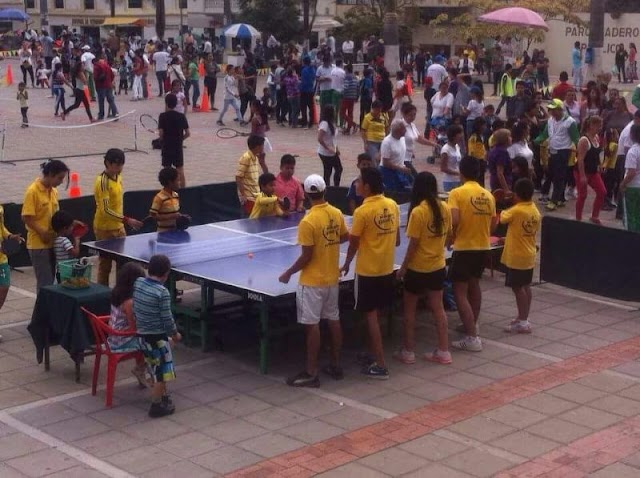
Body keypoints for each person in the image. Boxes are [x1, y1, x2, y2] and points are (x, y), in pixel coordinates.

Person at [279, 175, 349, 387]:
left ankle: (311, 372)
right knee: (333, 320)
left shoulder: (308, 221)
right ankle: (336, 365)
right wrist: (329, 243)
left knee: (312, 325)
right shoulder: (336, 213)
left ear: (307, 195)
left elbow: (306, 256)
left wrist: (288, 273)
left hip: (311, 282)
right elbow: (346, 236)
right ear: (324, 191)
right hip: (331, 279)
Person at [341, 168, 400, 379]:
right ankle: (372, 354)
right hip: (386, 268)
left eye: (358, 181)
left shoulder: (362, 212)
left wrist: (346, 263)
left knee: (371, 315)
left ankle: (381, 365)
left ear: (366, 186)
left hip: (367, 271)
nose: (355, 185)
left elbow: (353, 243)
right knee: (375, 314)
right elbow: (398, 240)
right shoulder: (392, 205)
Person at [395, 172, 453, 365]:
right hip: (437, 266)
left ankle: (409, 351)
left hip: (417, 269)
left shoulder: (418, 212)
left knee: (409, 309)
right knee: (438, 309)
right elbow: (449, 236)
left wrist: (403, 268)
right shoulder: (444, 207)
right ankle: (444, 351)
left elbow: (413, 245)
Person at [448, 157, 497, 352]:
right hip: (483, 246)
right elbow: (494, 224)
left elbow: (454, 219)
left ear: (461, 172)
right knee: (474, 285)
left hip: (464, 247)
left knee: (459, 291)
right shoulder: (488, 195)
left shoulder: (456, 193)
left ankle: (472, 338)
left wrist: (451, 237)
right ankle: (471, 324)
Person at [133, 254, 181, 418]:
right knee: (162, 372)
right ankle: (156, 405)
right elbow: (167, 319)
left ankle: (163, 396)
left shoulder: (138, 283)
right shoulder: (162, 292)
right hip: (157, 338)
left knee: (155, 366)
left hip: (142, 336)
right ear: (166, 273)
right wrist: (174, 334)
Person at [93, 149, 143, 286]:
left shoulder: (118, 177)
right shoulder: (102, 182)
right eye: (116, 165)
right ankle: (102, 293)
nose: (119, 168)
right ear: (107, 163)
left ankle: (121, 292)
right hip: (104, 229)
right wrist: (127, 220)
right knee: (105, 265)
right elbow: (105, 210)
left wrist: (122, 222)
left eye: (121, 165)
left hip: (119, 227)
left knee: (123, 263)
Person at [22, 160, 70, 292]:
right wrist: (42, 232)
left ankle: (48, 309)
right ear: (50, 174)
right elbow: (26, 217)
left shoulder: (53, 191)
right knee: (45, 282)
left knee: (52, 280)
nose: (61, 182)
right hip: (38, 245)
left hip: (52, 242)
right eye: (59, 178)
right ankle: (42, 311)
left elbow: (56, 216)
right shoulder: (33, 191)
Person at [499, 178, 540, 334]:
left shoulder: (516, 210)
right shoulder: (534, 209)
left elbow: (502, 217)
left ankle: (523, 323)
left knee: (517, 288)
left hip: (517, 256)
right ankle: (523, 317)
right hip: (529, 254)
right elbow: (519, 229)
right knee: (526, 286)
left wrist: (506, 200)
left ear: (517, 194)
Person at [534, 99, 580, 211]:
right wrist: (535, 141)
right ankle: (560, 198)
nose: (552, 112)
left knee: (559, 177)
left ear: (560, 109)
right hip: (552, 151)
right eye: (550, 110)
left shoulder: (570, 122)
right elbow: (544, 135)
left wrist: (579, 154)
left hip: (563, 152)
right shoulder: (550, 121)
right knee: (552, 174)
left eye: (554, 110)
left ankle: (554, 201)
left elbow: (576, 139)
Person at [108, 262, 148, 387]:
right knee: (160, 342)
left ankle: (141, 368)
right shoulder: (129, 302)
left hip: (113, 337)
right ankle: (143, 370)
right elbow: (133, 328)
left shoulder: (117, 293)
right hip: (122, 341)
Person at [574, 115, 606, 224]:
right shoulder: (584, 140)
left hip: (593, 171)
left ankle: (594, 216)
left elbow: (596, 155)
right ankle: (578, 218)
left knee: (602, 192)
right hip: (582, 171)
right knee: (582, 195)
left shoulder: (596, 138)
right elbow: (580, 159)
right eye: (598, 125)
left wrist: (599, 165)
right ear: (591, 125)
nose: (600, 127)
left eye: (600, 125)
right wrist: (582, 176)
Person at [0, 204, 24, 340]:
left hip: (2, 258)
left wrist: (10, 236)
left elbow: (1, 227)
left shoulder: (0, 208)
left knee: (4, 287)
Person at [158, 93, 190, 189]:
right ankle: (183, 191)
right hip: (177, 146)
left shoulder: (162, 116)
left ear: (166, 103)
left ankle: (168, 190)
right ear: (176, 103)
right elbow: (188, 133)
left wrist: (161, 139)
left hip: (167, 146)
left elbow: (161, 133)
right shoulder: (181, 116)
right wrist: (180, 140)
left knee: (167, 170)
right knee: (180, 170)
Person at [236, 135, 269, 216]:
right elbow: (238, 177)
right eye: (262, 146)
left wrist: (262, 162)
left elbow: (267, 176)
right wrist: (243, 195)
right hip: (248, 198)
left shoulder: (256, 158)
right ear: (258, 147)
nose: (263, 148)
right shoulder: (246, 158)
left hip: (256, 197)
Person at [150, 167, 186, 232]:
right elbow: (153, 216)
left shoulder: (176, 195)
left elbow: (175, 213)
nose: (179, 183)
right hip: (163, 233)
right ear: (170, 182)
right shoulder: (159, 198)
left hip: (176, 231)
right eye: (177, 180)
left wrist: (181, 217)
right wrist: (170, 216)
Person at [380, 120, 411, 192]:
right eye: (404, 129)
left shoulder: (402, 139)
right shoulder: (387, 142)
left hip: (400, 170)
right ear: (398, 131)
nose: (406, 130)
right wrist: (400, 168)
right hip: (389, 172)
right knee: (393, 192)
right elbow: (385, 163)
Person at [317, 105, 342, 187]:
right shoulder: (324, 124)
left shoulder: (332, 123)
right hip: (325, 153)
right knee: (329, 171)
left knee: (337, 169)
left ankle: (335, 186)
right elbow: (320, 138)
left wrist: (336, 148)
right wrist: (328, 148)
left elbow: (333, 138)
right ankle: (328, 188)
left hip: (332, 151)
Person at [360, 100, 389, 165]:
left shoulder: (384, 116)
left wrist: (386, 138)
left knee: (382, 160)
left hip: (382, 141)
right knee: (374, 159)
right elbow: (363, 130)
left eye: (379, 110)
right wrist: (365, 143)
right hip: (371, 141)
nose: (378, 112)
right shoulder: (367, 117)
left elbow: (386, 127)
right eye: (376, 110)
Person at [94, 52, 119, 120]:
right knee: (110, 100)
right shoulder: (107, 65)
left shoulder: (97, 66)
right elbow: (112, 75)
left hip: (101, 86)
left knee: (101, 101)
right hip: (108, 85)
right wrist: (109, 81)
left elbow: (95, 77)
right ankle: (115, 113)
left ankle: (101, 115)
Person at [488, 128, 514, 193]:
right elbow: (500, 173)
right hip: (501, 184)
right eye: (509, 136)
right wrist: (506, 190)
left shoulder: (494, 149)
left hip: (494, 181)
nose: (511, 138)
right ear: (505, 139)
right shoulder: (502, 152)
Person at [440, 124, 464, 192]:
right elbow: (443, 168)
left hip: (458, 179)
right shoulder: (445, 149)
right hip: (449, 181)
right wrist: (458, 173)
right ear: (453, 135)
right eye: (459, 134)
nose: (461, 136)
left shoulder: (457, 146)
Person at [468, 117, 487, 186]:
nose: (485, 127)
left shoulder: (481, 136)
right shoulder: (474, 137)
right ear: (479, 126)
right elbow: (471, 151)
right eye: (483, 125)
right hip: (476, 161)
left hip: (482, 161)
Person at [340, 64, 359, 134]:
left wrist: (341, 93)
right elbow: (358, 87)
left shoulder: (347, 77)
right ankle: (348, 129)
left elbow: (345, 87)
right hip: (353, 96)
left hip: (346, 96)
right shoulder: (355, 77)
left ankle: (354, 124)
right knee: (350, 113)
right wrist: (357, 96)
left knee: (342, 113)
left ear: (347, 70)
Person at [299, 57, 316, 129]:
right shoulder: (313, 69)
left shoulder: (304, 70)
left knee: (303, 107)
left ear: (304, 62)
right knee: (311, 107)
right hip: (311, 90)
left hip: (304, 90)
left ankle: (304, 122)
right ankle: (311, 122)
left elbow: (303, 81)